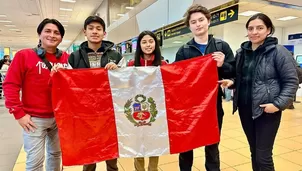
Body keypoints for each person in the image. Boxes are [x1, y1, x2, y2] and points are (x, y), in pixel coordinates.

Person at [219, 13, 298, 170]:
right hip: (245, 109)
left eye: (260, 28)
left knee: (263, 156)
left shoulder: (278, 52)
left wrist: (278, 104)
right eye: (250, 28)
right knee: (254, 151)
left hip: (267, 111)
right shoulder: (242, 52)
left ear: (268, 30)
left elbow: (291, 81)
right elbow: (242, 77)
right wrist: (233, 82)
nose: (254, 32)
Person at [174, 4, 235, 171]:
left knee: (212, 146)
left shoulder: (222, 46)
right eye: (193, 22)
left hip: (213, 106)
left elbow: (234, 72)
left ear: (208, 21)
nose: (198, 24)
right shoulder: (184, 50)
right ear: (189, 26)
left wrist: (222, 65)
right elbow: (176, 78)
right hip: (189, 107)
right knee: (186, 146)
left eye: (201, 20)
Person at [3, 18, 69, 171]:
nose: (52, 35)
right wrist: (19, 114)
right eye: (48, 31)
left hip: (59, 118)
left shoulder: (66, 58)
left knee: (56, 154)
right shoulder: (24, 55)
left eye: (56, 33)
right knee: (35, 161)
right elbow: (10, 85)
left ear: (61, 38)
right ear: (39, 34)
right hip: (34, 119)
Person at [66, 15, 122, 171]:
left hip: (110, 114)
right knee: (89, 156)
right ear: (85, 31)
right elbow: (68, 85)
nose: (95, 32)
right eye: (91, 28)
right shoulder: (75, 57)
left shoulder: (116, 56)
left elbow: (126, 85)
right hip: (86, 115)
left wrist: (118, 71)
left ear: (104, 33)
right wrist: (58, 72)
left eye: (99, 29)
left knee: (111, 155)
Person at [127, 30, 167, 171]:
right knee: (138, 144)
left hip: (156, 111)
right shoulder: (132, 64)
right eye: (144, 42)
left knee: (154, 144)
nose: (148, 45)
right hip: (136, 110)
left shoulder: (162, 64)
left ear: (155, 43)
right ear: (139, 45)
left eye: (151, 41)